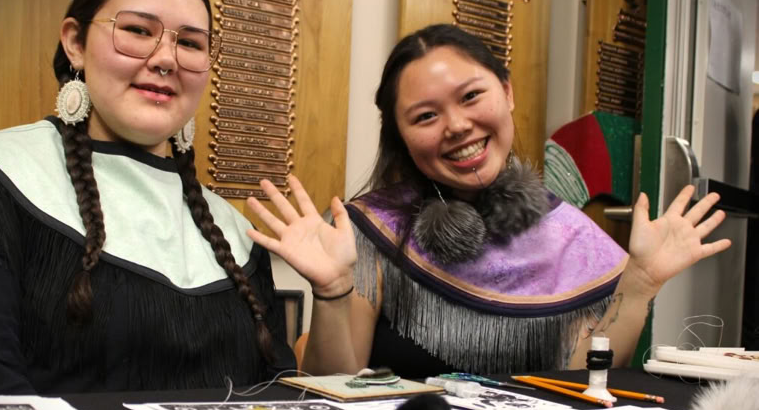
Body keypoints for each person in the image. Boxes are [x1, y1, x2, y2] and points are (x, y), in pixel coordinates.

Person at [246, 24, 731, 379]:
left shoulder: (575, 239)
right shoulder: (370, 231)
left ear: (507, 92)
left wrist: (640, 283)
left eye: (471, 96)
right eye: (426, 116)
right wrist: (332, 290)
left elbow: (586, 383)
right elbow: (332, 391)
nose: (457, 126)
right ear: (402, 138)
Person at [0, 0, 295, 394]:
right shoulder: (8, 172)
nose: (166, 59)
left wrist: (335, 292)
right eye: (137, 30)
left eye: (190, 43)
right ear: (75, 42)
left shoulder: (233, 232)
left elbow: (278, 396)